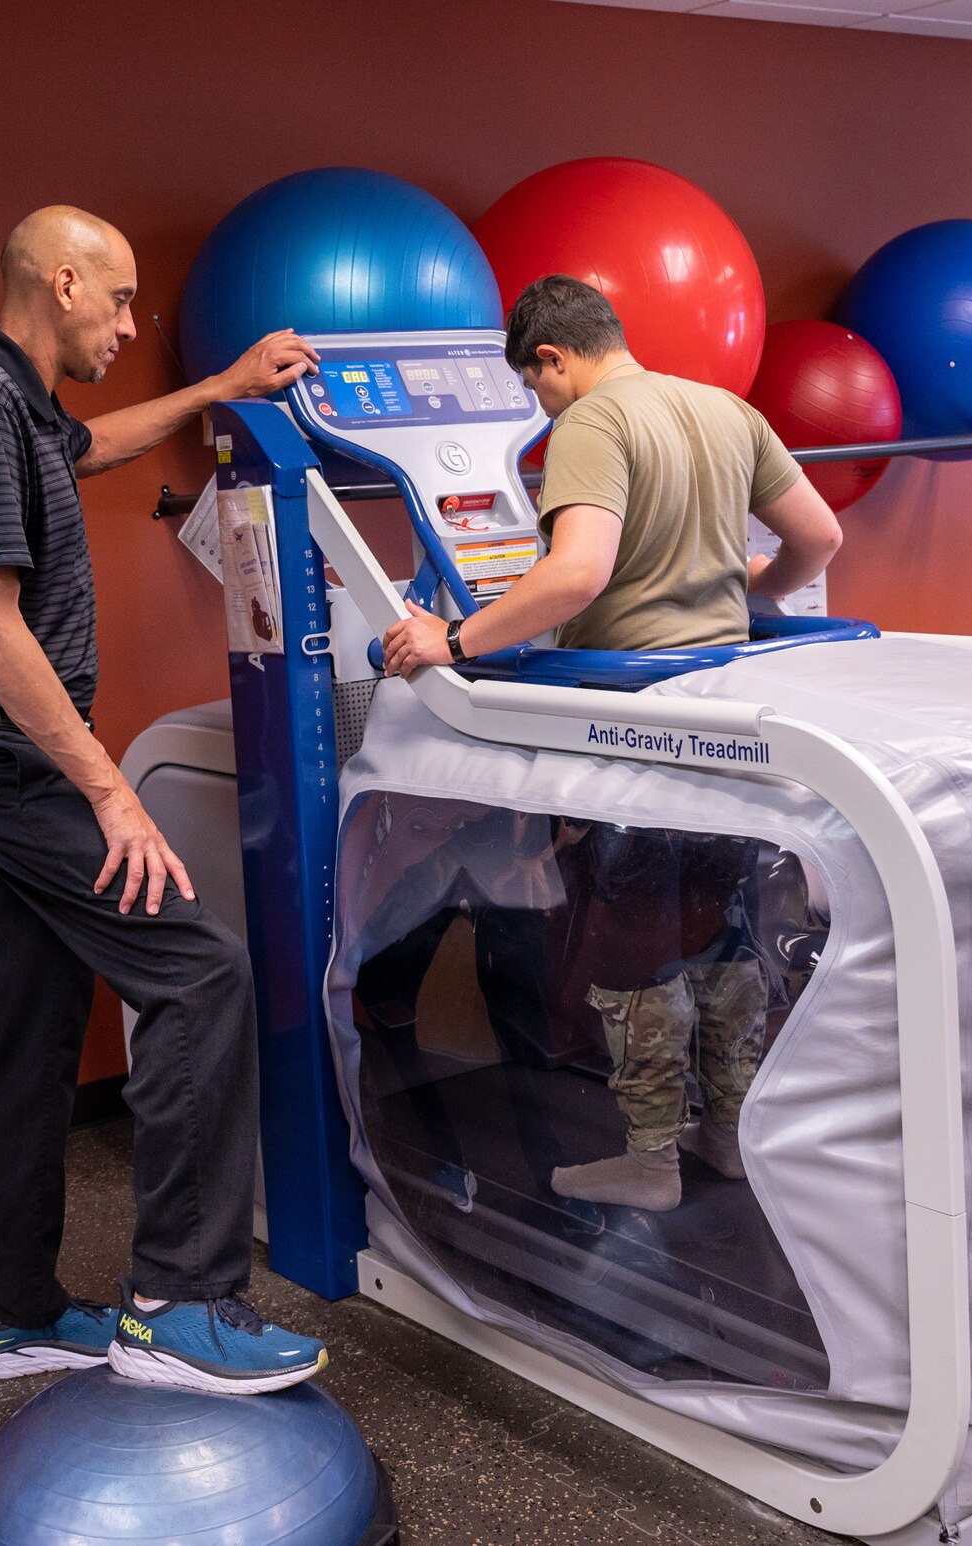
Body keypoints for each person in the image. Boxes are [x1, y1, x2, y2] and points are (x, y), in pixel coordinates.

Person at [0, 205, 327, 1392]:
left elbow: (93, 447)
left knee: (24, 1036)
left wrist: (219, 386)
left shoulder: (15, 405)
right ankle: (174, 1307)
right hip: (12, 758)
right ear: (66, 280)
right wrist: (110, 793)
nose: (132, 325)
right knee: (199, 974)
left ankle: (14, 1315)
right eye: (124, 301)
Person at [379, 274, 843, 1212]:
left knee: (634, 950)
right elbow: (819, 538)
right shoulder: (723, 408)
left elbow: (577, 574)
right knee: (722, 935)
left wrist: (452, 641)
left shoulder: (593, 422)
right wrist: (748, 596)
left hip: (635, 728)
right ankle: (725, 1133)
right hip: (725, 715)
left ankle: (649, 1161)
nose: (540, 407)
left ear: (554, 357)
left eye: (535, 387)